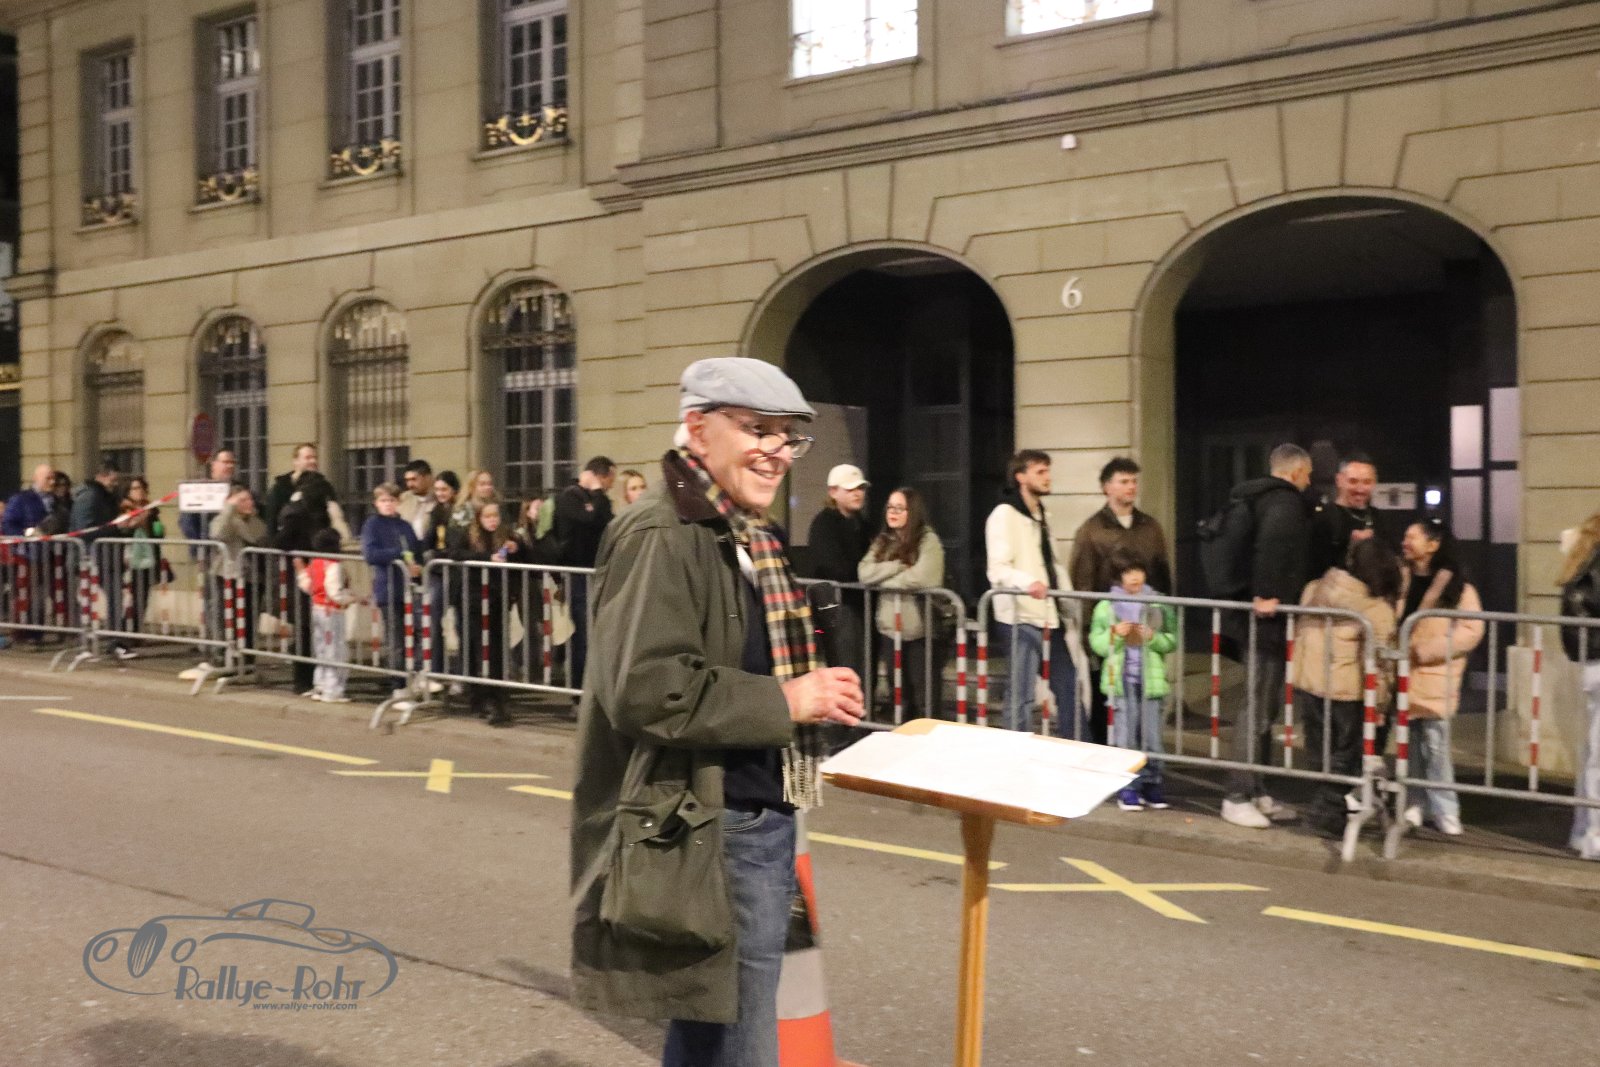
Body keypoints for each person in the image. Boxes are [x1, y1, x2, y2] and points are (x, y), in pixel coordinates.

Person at [571, 356, 862, 1065]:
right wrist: (787, 698)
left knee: (711, 1030)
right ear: (698, 430)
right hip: (716, 824)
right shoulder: (665, 533)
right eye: (757, 429)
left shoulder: (743, 531)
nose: (776, 450)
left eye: (788, 436)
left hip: (746, 812)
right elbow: (647, 687)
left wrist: (810, 684)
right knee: (741, 1041)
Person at [1221, 443, 1313, 829]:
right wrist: (1269, 593)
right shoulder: (1284, 503)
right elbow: (1273, 549)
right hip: (1266, 620)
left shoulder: (1255, 498)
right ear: (1296, 472)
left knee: (1263, 706)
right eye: (1308, 475)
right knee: (1257, 706)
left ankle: (1257, 791)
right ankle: (1238, 795)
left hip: (1253, 617)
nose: (1308, 482)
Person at [1292, 537, 1401, 835]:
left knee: (1320, 752)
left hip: (1311, 683)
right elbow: (1381, 662)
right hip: (1349, 691)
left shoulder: (1314, 589)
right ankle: (1325, 812)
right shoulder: (1377, 608)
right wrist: (1381, 703)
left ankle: (1330, 812)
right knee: (1348, 755)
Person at [1069, 456, 1173, 744]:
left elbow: (1162, 575)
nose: (1131, 487)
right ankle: (1104, 753)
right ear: (1107, 487)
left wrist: (1166, 620)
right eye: (1124, 481)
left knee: (1147, 698)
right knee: (1107, 698)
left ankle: (1144, 756)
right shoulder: (1091, 530)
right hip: (1111, 627)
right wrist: (1090, 634)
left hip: (1145, 627)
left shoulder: (1150, 527)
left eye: (1134, 481)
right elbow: (1083, 582)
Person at [985, 449, 1081, 736]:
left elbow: (1052, 564)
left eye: (1047, 471)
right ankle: (1016, 750)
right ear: (1021, 477)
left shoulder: (1040, 515)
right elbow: (997, 569)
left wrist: (1067, 601)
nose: (1047, 477)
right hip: (1021, 616)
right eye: (1040, 472)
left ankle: (1075, 746)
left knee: (1068, 685)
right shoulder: (1004, 515)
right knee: (1022, 693)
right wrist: (1028, 583)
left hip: (1047, 614)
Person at [1398, 520, 1481, 837]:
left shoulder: (1458, 587)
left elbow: (1471, 629)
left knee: (1436, 745)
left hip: (1435, 673)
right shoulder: (1401, 578)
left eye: (1412, 536)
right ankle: (1414, 802)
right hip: (1404, 674)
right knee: (1409, 744)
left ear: (1433, 545)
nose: (1405, 542)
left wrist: (1428, 650)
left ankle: (1445, 809)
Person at [1089, 550, 1177, 811]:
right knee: (1126, 737)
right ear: (1117, 577)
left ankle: (1152, 783)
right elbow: (1097, 643)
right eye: (1127, 573)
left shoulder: (1158, 604)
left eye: (1138, 571)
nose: (1135, 577)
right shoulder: (1106, 607)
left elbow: (1171, 640)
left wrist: (1153, 638)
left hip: (1151, 682)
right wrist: (1115, 634)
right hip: (1120, 682)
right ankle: (1128, 788)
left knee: (1152, 738)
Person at [857, 487, 948, 721]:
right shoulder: (883, 540)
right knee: (899, 695)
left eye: (899, 508)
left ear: (912, 511)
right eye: (890, 507)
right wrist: (897, 566)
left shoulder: (927, 540)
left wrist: (884, 582)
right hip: (890, 630)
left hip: (920, 631)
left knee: (924, 695)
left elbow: (924, 577)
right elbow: (864, 573)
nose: (893, 512)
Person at [446, 500, 516, 726]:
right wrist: (487, 558)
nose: (492, 520)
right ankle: (480, 697)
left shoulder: (504, 535)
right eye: (487, 516)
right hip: (474, 598)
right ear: (478, 518)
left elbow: (521, 556)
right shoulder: (468, 535)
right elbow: (456, 553)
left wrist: (516, 548)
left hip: (497, 597)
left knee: (496, 648)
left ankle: (497, 695)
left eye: (495, 516)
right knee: (478, 648)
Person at [1557, 511, 1600, 860]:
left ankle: (1584, 831)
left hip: (1592, 663)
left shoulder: (1583, 557)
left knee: (1593, 752)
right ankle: (1594, 837)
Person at [554, 455, 616, 689]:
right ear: (601, 476)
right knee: (584, 631)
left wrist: (598, 498)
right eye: (609, 480)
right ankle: (579, 687)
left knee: (595, 630)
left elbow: (606, 521)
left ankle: (593, 684)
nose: (610, 486)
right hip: (577, 572)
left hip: (597, 570)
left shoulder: (599, 500)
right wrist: (597, 492)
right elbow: (588, 520)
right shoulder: (570, 496)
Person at [806, 463, 872, 684]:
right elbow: (833, 567)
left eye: (860, 488)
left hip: (860, 605)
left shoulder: (862, 524)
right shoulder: (824, 525)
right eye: (850, 489)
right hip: (838, 607)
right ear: (833, 492)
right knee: (846, 666)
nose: (857, 493)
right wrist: (868, 573)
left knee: (864, 666)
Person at [361, 482, 424, 691]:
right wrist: (399, 555)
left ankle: (416, 674)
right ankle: (398, 683)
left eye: (391, 500)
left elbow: (416, 550)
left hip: (409, 587)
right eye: (383, 500)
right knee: (396, 638)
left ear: (398, 502)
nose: (388, 504)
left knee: (418, 632)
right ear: (376, 503)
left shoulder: (405, 526)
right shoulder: (372, 525)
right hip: (388, 587)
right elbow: (371, 554)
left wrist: (417, 564)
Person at [180, 450, 239, 655]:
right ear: (214, 465)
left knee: (231, 600)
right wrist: (200, 549)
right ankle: (216, 644)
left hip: (232, 553)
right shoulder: (201, 489)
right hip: (210, 554)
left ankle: (226, 642)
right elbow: (187, 522)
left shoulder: (237, 488)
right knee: (214, 599)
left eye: (232, 462)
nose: (229, 466)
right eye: (225, 462)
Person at [297, 527, 359, 703]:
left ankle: (320, 685)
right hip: (332, 612)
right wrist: (351, 598)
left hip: (317, 608)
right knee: (336, 650)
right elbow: (334, 593)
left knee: (322, 649)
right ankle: (333, 690)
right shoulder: (333, 565)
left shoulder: (315, 563)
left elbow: (305, 584)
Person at [209, 484, 269, 657]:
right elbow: (218, 533)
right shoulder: (223, 519)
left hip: (251, 575)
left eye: (250, 499)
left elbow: (258, 537)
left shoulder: (255, 521)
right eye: (242, 500)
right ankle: (224, 653)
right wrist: (229, 509)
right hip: (227, 574)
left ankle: (247, 655)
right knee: (226, 617)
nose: (249, 503)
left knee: (249, 617)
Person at [1308, 454, 1386, 578]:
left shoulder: (1378, 517)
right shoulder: (1324, 518)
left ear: (1374, 483)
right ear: (1339, 480)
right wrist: (1352, 548)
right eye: (1353, 481)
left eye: (1367, 482)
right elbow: (1315, 571)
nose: (1360, 489)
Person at [117, 476, 165, 652]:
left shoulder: (151, 508)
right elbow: (124, 528)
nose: (140, 492)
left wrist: (157, 527)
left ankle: (136, 632)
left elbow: (157, 532)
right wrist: (139, 518)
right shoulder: (125, 508)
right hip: (131, 558)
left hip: (148, 557)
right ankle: (124, 634)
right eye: (135, 488)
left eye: (142, 488)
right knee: (130, 599)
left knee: (142, 598)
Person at [264, 443, 345, 541]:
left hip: (317, 544)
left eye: (315, 457)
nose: (313, 461)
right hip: (289, 545)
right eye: (308, 458)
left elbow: (333, 516)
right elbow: (272, 523)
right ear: (296, 461)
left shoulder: (325, 487)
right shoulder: (279, 488)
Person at [398, 459, 434, 538]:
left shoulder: (438, 499)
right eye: (407, 480)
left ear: (427, 478)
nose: (410, 484)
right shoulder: (404, 499)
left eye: (414, 479)